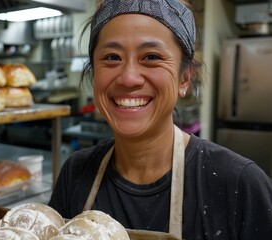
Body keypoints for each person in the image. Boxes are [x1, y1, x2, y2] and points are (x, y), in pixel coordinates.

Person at [48, 0, 272, 239]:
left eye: (151, 56)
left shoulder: (239, 184)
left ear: (184, 79)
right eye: (112, 57)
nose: (129, 78)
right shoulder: (76, 172)